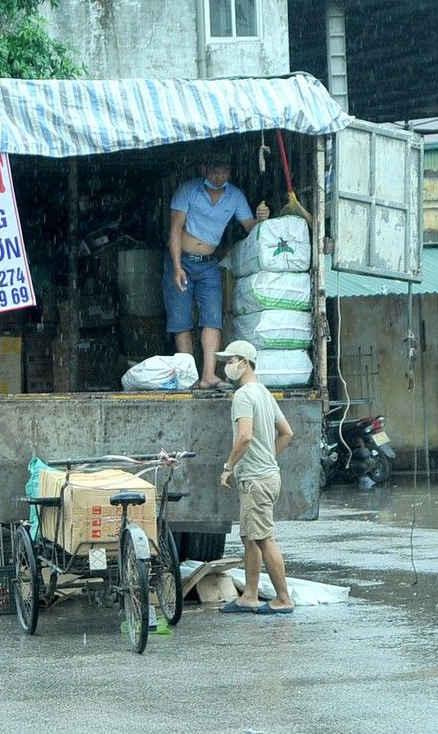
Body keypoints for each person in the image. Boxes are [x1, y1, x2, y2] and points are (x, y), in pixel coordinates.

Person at [165, 154, 268, 389]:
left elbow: (251, 229)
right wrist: (177, 267)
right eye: (213, 171)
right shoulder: (187, 190)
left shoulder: (235, 196)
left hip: (209, 263)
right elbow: (175, 230)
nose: (219, 176)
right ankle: (189, 377)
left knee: (212, 319)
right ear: (203, 168)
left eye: (223, 171)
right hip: (181, 261)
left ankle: (208, 376)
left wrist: (262, 220)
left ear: (229, 171)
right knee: (181, 321)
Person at [214, 340, 296, 615]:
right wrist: (269, 457)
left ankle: (283, 599)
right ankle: (249, 595)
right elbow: (287, 432)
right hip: (265, 475)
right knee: (250, 536)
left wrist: (228, 466)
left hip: (256, 479)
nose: (227, 366)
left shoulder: (244, 396)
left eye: (231, 360)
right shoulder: (263, 393)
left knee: (263, 538)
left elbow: (245, 436)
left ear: (245, 363)